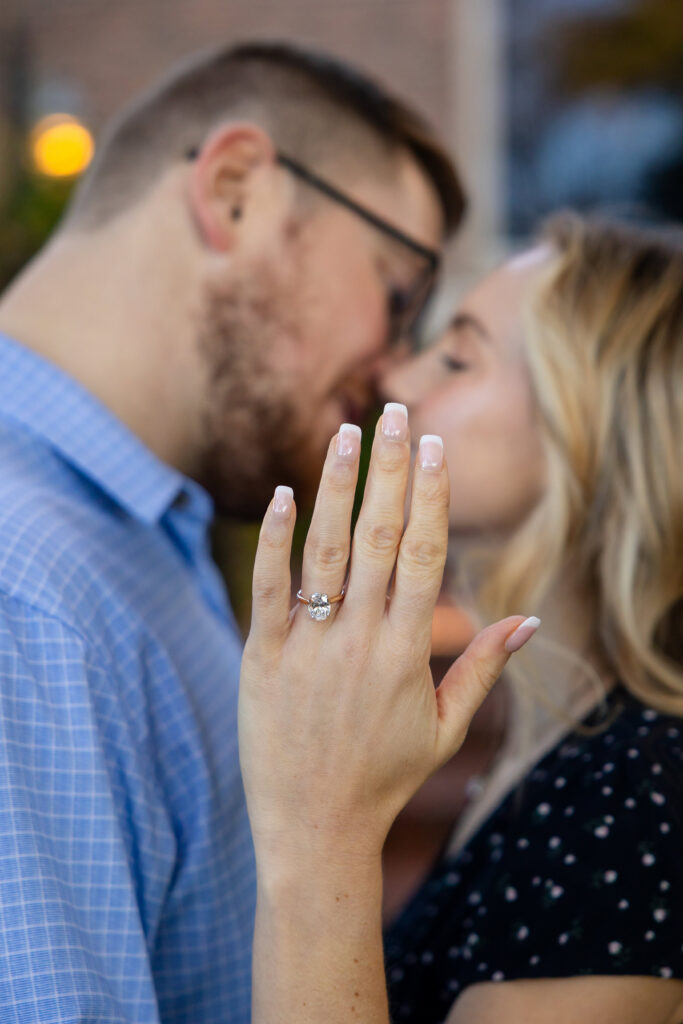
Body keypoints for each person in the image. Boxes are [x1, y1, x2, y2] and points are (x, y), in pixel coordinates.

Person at [0, 42, 464, 1022]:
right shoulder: (25, 586)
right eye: (397, 296)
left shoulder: (134, 539)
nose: (393, 370)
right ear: (237, 189)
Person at [239, 213, 683, 1023]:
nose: (399, 383)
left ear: (586, 430)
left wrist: (317, 832)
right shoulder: (559, 740)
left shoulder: (639, 797)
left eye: (457, 356)